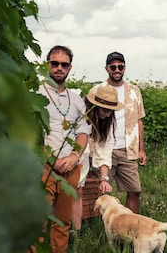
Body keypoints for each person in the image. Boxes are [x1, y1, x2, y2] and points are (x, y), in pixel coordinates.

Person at [38, 45, 91, 253]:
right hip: (43, 167)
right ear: (47, 65)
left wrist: (75, 155)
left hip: (70, 167)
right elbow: (31, 134)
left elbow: (83, 132)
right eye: (55, 63)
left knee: (62, 222)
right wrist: (51, 158)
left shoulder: (77, 100)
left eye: (64, 64)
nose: (59, 68)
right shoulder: (36, 94)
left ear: (70, 68)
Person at [92, 51, 147, 214]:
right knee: (102, 191)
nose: (117, 69)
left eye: (120, 66)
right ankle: (105, 228)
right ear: (106, 68)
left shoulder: (134, 91)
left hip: (127, 149)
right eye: (113, 67)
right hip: (103, 147)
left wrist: (141, 149)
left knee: (135, 190)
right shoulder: (98, 90)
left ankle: (132, 224)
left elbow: (139, 120)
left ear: (124, 68)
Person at [71, 85, 123, 229]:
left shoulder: (105, 121)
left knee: (78, 191)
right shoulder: (78, 115)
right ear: (94, 107)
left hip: (84, 156)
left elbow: (104, 149)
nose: (108, 114)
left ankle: (76, 231)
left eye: (110, 111)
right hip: (69, 152)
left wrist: (104, 179)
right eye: (105, 110)